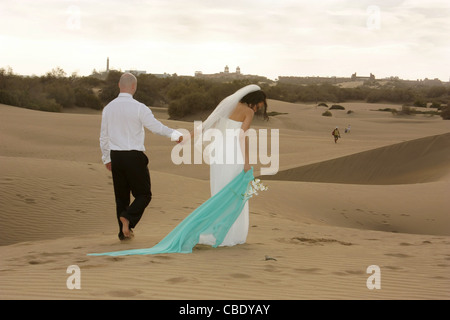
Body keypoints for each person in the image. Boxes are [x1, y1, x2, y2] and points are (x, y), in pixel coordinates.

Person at [89, 84, 268, 256]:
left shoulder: (228, 107)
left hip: (218, 156)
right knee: (233, 194)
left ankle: (219, 232)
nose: (259, 109)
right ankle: (230, 235)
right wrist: (246, 162)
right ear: (255, 100)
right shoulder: (248, 112)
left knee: (220, 193)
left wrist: (186, 137)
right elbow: (241, 137)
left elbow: (205, 125)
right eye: (260, 105)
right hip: (233, 156)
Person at [99, 72, 182, 241]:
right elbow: (156, 127)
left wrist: (106, 158)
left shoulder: (108, 108)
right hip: (134, 156)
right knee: (144, 194)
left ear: (119, 86)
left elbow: (103, 136)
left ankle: (123, 232)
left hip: (116, 156)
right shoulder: (139, 107)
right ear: (133, 87)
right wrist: (174, 134)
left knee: (121, 197)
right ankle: (128, 218)